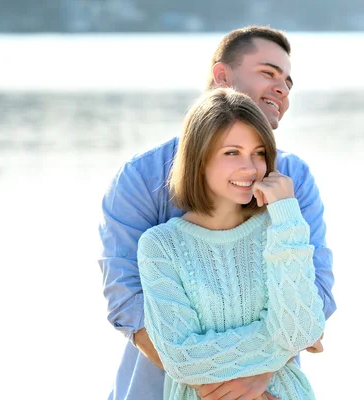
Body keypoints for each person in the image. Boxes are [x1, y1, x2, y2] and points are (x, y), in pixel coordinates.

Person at [98, 25, 336, 400]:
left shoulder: (293, 181)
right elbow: (128, 302)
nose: (283, 89)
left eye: (288, 82)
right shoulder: (141, 177)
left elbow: (315, 299)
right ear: (223, 76)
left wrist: (258, 380)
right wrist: (222, 387)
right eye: (268, 73)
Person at [138, 87, 325, 400]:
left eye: (259, 153)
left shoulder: (281, 229)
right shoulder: (160, 246)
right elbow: (183, 361)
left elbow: (300, 332)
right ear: (199, 159)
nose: (250, 168)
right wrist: (279, 342)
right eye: (232, 153)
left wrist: (287, 214)